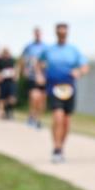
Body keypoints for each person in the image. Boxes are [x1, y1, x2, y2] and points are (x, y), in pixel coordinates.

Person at [36, 24, 89, 163]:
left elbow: (84, 66)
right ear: (56, 33)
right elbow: (39, 63)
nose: (62, 34)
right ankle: (56, 148)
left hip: (69, 87)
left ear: (67, 33)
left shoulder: (73, 50)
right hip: (53, 86)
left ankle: (61, 147)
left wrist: (79, 71)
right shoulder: (49, 50)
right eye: (59, 32)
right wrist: (39, 74)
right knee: (57, 117)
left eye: (64, 32)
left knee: (66, 121)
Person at [20, 27, 48, 128]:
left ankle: (37, 119)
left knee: (42, 99)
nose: (38, 35)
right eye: (36, 33)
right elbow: (22, 59)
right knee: (33, 96)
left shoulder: (46, 47)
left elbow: (48, 61)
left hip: (44, 76)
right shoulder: (29, 47)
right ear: (34, 34)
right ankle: (31, 117)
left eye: (39, 33)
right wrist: (23, 70)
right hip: (32, 75)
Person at [0, 47, 18, 119]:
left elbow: (16, 68)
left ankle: (8, 111)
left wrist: (16, 75)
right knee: (2, 98)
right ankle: (3, 113)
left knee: (12, 99)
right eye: (5, 52)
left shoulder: (12, 60)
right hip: (3, 81)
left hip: (11, 81)